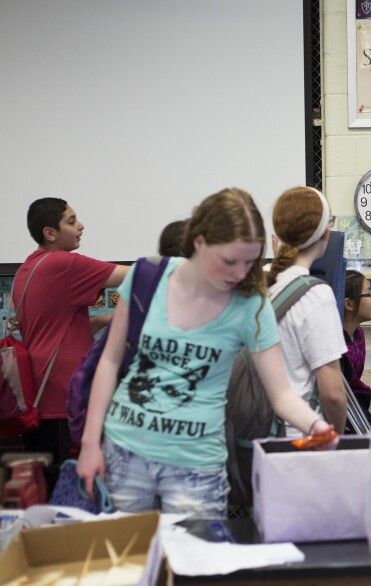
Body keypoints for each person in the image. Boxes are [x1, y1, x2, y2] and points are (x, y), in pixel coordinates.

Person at [76, 188, 334, 517]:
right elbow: (110, 362)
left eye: (249, 261)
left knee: (195, 565)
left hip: (197, 469)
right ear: (199, 243)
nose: (240, 273)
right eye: (229, 261)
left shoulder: (250, 304)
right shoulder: (146, 276)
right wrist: (89, 444)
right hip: (126, 454)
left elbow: (281, 394)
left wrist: (316, 425)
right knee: (130, 564)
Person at [12, 198, 129, 488]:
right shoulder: (63, 264)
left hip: (41, 401)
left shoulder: (27, 269)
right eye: (72, 220)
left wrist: (103, 320)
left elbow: (49, 328)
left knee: (52, 492)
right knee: (76, 493)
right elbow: (137, 276)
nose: (80, 226)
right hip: (63, 403)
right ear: (50, 233)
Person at [266, 186, 347, 435]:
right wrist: (335, 438)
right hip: (299, 437)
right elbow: (332, 393)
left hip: (257, 433)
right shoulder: (316, 295)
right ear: (325, 233)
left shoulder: (260, 286)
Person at [342, 270, 371, 423]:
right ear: (349, 304)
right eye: (368, 295)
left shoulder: (359, 333)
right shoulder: (336, 344)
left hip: (357, 407)